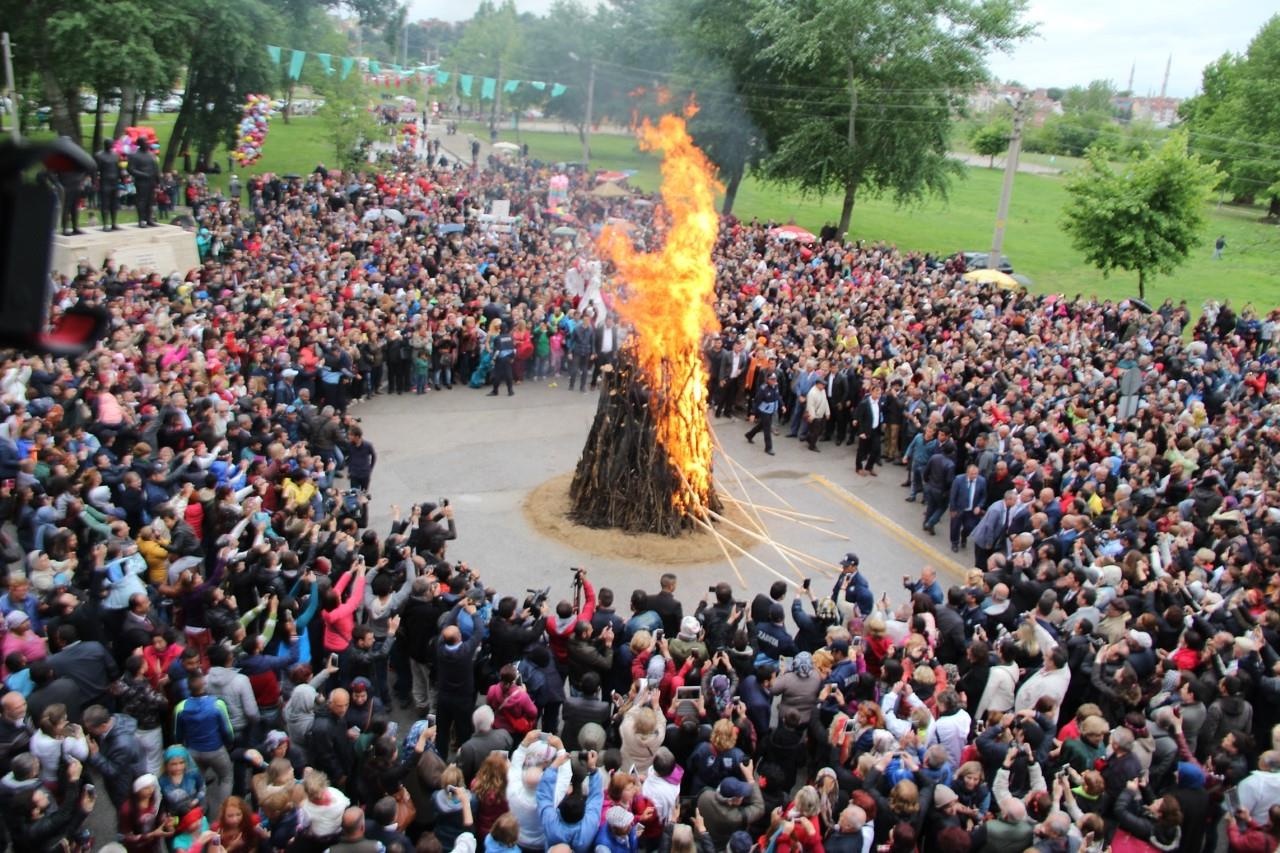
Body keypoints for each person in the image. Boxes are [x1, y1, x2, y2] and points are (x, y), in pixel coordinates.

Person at [744, 371, 780, 455]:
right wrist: (753, 414)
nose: (774, 381)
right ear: (767, 380)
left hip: (771, 410)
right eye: (772, 379)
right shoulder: (763, 389)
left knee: (761, 425)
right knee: (767, 429)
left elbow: (778, 396)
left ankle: (749, 435)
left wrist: (782, 405)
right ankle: (768, 448)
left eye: (775, 379)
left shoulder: (775, 386)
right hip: (764, 411)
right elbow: (757, 402)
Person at [853, 382, 884, 475]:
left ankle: (869, 467)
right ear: (871, 392)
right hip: (865, 430)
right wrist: (861, 432)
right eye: (877, 392)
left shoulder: (879, 403)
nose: (878, 395)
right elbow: (860, 418)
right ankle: (858, 467)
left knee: (875, 449)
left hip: (875, 430)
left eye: (880, 393)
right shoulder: (864, 403)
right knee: (862, 450)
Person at [94, 140, 121, 231]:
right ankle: (105, 224)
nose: (110, 145)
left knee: (114, 203)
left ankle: (114, 223)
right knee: (105, 203)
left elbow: (118, 168)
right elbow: (95, 169)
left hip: (115, 182)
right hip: (105, 182)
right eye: (109, 144)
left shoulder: (115, 155)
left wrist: (121, 177)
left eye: (111, 144)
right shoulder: (99, 155)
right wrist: (95, 181)